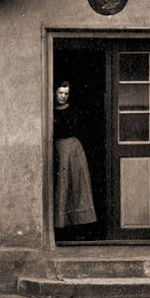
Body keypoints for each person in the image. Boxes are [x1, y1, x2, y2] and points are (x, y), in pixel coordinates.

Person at [54, 81, 97, 231]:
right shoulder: (49, 110)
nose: (63, 96)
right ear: (55, 93)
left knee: (76, 184)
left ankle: (77, 225)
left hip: (73, 150)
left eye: (66, 94)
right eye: (60, 93)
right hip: (58, 150)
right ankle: (59, 224)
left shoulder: (74, 111)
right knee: (61, 185)